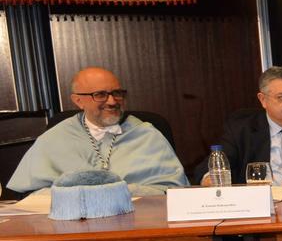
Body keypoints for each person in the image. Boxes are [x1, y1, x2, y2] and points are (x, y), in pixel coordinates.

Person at [7, 67, 187, 196]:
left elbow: (173, 191)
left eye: (117, 93)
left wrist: (120, 192)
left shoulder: (147, 134)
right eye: (100, 95)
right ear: (78, 101)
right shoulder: (54, 138)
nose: (112, 101)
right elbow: (31, 195)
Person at [194, 66, 282, 187]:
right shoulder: (242, 129)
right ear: (263, 100)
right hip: (263, 203)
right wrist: (212, 180)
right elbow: (208, 169)